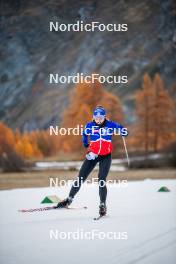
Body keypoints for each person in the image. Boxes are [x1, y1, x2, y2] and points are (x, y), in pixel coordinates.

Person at [56, 105, 128, 216]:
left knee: (102, 180)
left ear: (104, 117)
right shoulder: (89, 126)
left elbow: (121, 128)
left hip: (105, 156)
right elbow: (84, 134)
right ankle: (69, 199)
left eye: (101, 117)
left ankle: (102, 205)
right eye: (96, 117)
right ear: (93, 117)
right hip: (93, 155)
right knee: (80, 178)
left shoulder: (111, 125)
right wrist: (86, 144)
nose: (98, 120)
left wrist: (124, 132)